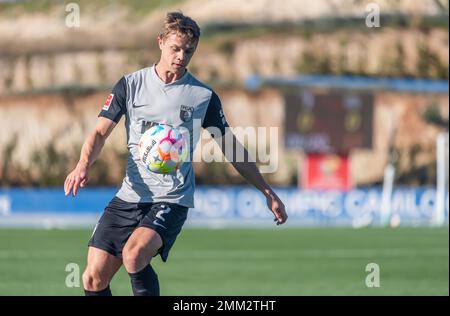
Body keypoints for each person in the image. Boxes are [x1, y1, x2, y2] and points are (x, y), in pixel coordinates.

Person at [63, 11, 288, 296]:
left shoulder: (202, 97)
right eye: (175, 48)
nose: (181, 56)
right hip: (129, 195)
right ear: (160, 42)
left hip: (171, 198)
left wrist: (267, 191)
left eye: (188, 51)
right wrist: (83, 164)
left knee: (134, 255)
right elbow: (99, 133)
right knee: (93, 279)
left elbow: (230, 147)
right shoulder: (131, 85)